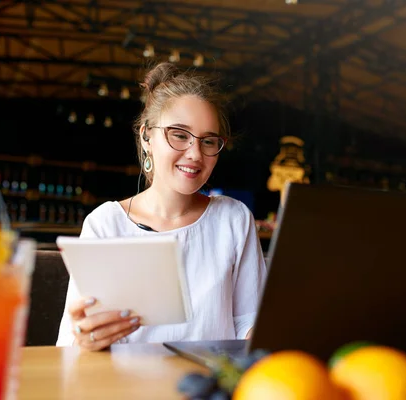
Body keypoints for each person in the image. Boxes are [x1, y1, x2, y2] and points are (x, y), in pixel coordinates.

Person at [56, 62, 268, 351]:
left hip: (208, 390)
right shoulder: (105, 223)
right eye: (179, 135)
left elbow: (247, 321)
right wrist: (84, 337)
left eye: (208, 141)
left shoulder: (233, 219)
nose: (195, 154)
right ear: (147, 137)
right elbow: (73, 339)